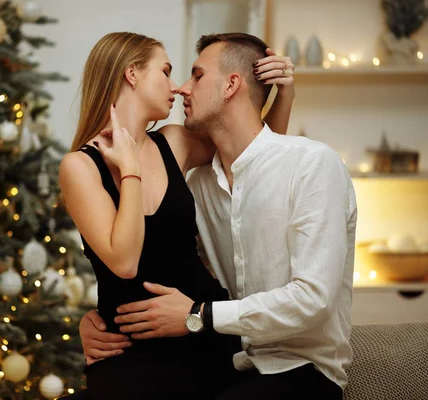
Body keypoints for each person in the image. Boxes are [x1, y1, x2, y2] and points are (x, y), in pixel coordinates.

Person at [79, 32, 356, 400]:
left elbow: (313, 300)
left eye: (195, 75)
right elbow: (159, 260)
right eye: (169, 72)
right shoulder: (200, 186)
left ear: (231, 85)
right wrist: (96, 320)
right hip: (233, 362)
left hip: (298, 368)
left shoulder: (312, 165)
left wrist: (199, 315)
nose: (181, 89)